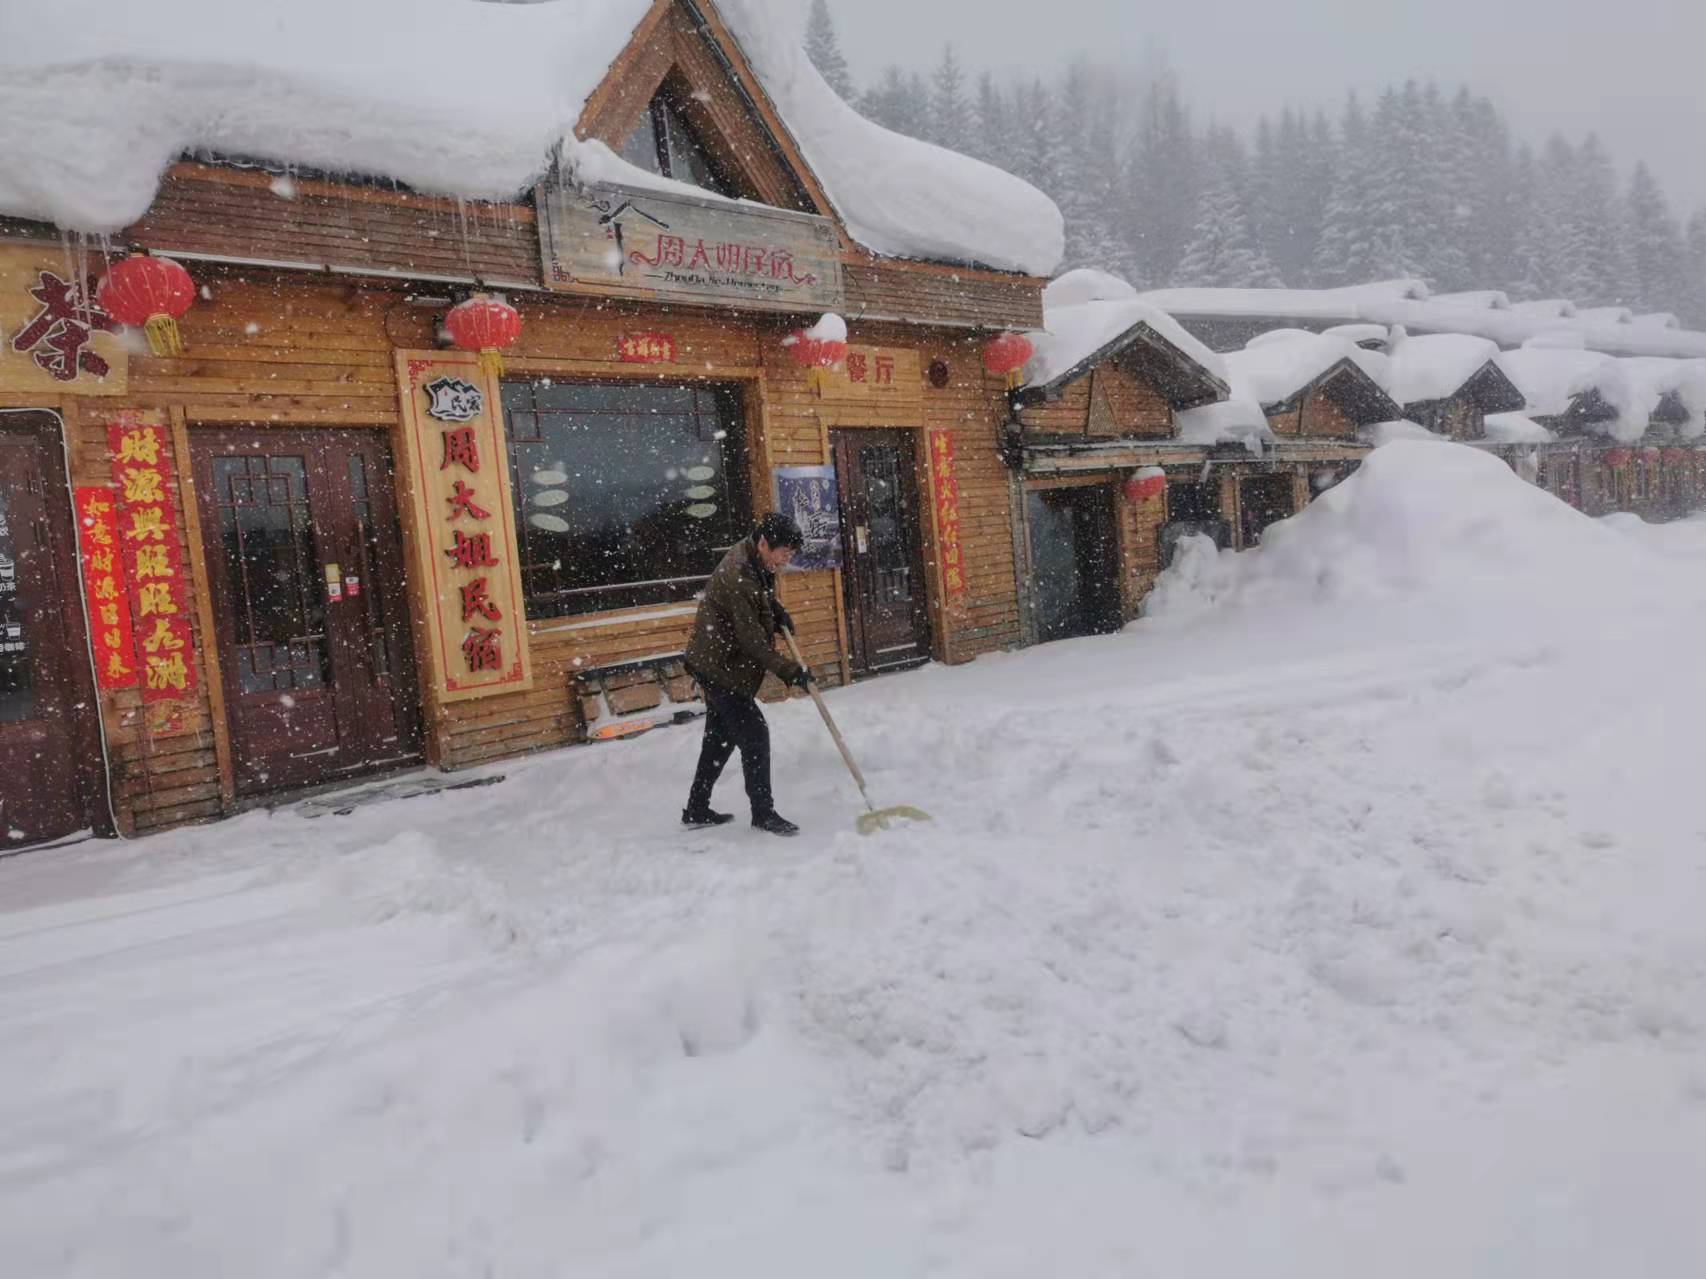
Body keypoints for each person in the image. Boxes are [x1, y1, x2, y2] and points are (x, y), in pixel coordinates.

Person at [682, 512, 813, 837]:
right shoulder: (737, 575)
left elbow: (761, 594)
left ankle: (697, 807)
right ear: (765, 543)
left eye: (791, 555)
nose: (785, 561)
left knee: (719, 739)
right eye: (783, 553)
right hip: (720, 667)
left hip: (717, 661)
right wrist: (790, 671)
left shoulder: (754, 556)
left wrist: (775, 609)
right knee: (754, 734)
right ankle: (763, 813)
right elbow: (752, 642)